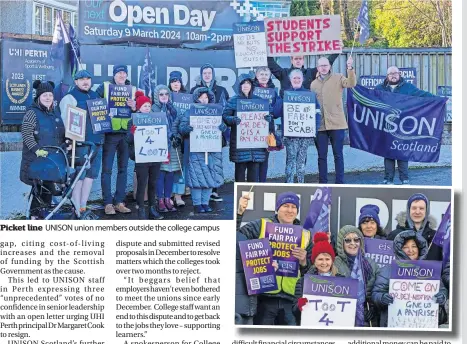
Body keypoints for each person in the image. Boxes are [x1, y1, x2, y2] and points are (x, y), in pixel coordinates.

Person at [236, 192, 311, 326]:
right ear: (277, 208)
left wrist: (304, 262)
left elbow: (312, 271)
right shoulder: (261, 225)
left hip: (291, 301)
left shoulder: (306, 234)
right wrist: (239, 214)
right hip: (264, 299)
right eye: (285, 206)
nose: (289, 210)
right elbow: (236, 237)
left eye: (294, 207)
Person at [371, 231, 448, 327]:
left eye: (414, 246)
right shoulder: (388, 269)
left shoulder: (429, 269)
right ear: (399, 249)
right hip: (395, 324)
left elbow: (442, 290)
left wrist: (442, 296)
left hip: (424, 324)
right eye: (405, 247)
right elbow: (376, 294)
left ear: (420, 248)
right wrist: (382, 298)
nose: (410, 250)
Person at [375, 66, 435, 185]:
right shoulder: (379, 89)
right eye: (390, 73)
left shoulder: (408, 87)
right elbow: (369, 100)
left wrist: (439, 99)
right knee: (388, 153)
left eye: (395, 73)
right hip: (386, 127)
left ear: (400, 74)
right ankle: (388, 179)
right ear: (387, 76)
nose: (393, 75)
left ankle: (404, 179)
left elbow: (422, 94)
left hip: (403, 126)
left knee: (402, 153)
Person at [60, 70, 105, 213]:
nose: (85, 82)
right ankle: (76, 206)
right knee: (79, 176)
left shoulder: (95, 96)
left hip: (97, 142)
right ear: (76, 82)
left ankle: (83, 205)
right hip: (80, 144)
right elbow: (65, 122)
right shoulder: (70, 97)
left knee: (91, 175)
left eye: (88, 79)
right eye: (82, 79)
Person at [96, 65, 136, 215]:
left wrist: (134, 106)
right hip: (109, 133)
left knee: (123, 169)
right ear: (114, 75)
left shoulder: (132, 89)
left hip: (125, 133)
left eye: (124, 73)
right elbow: (94, 103)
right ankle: (107, 203)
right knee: (106, 170)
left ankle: (119, 201)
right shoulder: (105, 87)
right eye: (119, 73)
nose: (122, 75)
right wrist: (104, 109)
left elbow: (140, 109)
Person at [178, 87, 226, 213]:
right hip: (196, 149)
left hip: (212, 150)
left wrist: (223, 127)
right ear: (196, 98)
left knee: (210, 176)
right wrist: (186, 129)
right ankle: (197, 203)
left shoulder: (216, 112)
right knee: (196, 177)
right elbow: (181, 128)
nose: (204, 100)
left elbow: (223, 127)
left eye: (206, 97)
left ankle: (205, 202)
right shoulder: (189, 112)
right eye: (201, 97)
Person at [21, 80, 65, 212]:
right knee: (40, 190)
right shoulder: (32, 113)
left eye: (50, 95)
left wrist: (66, 143)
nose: (48, 98)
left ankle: (42, 217)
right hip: (37, 161)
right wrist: (37, 150)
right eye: (44, 95)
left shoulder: (55, 113)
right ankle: (35, 218)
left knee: (47, 191)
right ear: (38, 97)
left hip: (51, 161)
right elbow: (26, 134)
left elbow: (60, 134)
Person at [310, 56, 356, 184]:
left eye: (326, 65)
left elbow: (351, 83)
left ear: (329, 66)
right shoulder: (313, 84)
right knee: (321, 156)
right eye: (321, 66)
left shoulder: (339, 77)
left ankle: (340, 182)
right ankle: (323, 182)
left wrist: (350, 68)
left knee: (338, 155)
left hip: (337, 124)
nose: (323, 68)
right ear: (318, 68)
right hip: (320, 125)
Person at [190, 63, 230, 202]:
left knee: (215, 162)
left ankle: (214, 190)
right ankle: (201, 192)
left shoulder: (221, 90)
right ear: (201, 75)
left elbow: (226, 109)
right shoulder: (194, 90)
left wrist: (224, 127)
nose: (207, 75)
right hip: (199, 134)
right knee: (201, 163)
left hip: (215, 133)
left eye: (209, 72)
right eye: (204, 73)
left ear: (213, 74)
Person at [223, 74, 268, 183]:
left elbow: (268, 115)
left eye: (248, 83)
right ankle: (239, 198)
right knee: (240, 175)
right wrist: (233, 119)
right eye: (243, 83)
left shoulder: (260, 101)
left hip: (256, 146)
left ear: (252, 85)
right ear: (239, 86)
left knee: (254, 176)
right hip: (240, 146)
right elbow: (225, 117)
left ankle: (252, 198)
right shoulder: (233, 100)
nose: (245, 85)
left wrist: (268, 118)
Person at [125, 91, 164, 220]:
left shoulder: (157, 119)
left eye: (148, 106)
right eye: (144, 106)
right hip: (141, 157)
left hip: (155, 156)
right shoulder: (133, 121)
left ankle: (152, 208)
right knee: (142, 183)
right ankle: (141, 209)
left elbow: (162, 136)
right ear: (139, 107)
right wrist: (132, 132)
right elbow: (128, 140)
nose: (147, 108)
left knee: (153, 182)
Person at [333, 225, 379, 327]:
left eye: (356, 240)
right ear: (342, 243)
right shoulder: (334, 263)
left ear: (361, 242)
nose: (353, 243)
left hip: (366, 321)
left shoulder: (370, 264)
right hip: (342, 320)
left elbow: (378, 290)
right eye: (348, 240)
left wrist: (372, 308)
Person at [282, 69, 320, 183]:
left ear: (302, 79)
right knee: (290, 160)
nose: (297, 80)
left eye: (299, 78)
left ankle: (301, 184)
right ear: (290, 80)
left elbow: (317, 112)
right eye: (294, 78)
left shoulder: (309, 94)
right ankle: (288, 184)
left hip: (305, 135)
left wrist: (315, 129)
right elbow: (278, 111)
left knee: (301, 161)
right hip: (290, 135)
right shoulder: (285, 93)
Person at [295, 232, 341, 318]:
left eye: (327, 259)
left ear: (332, 261)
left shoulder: (342, 281)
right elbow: (295, 313)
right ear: (314, 261)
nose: (324, 263)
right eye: (320, 259)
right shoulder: (303, 282)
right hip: (312, 329)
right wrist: (299, 306)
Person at [151, 84, 180, 213]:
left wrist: (177, 137)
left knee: (170, 172)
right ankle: (160, 199)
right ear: (157, 96)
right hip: (159, 144)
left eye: (166, 94)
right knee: (160, 173)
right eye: (161, 94)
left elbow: (177, 124)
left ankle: (168, 198)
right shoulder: (153, 109)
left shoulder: (173, 109)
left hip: (172, 145)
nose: (164, 96)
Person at [387, 193, 441, 260]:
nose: (417, 212)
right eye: (414, 208)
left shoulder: (435, 237)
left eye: (421, 208)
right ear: (408, 210)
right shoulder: (394, 235)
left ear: (426, 211)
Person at [253, 66, 283, 182]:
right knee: (255, 159)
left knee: (265, 158)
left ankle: (262, 184)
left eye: (266, 74)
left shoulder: (273, 91)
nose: (264, 77)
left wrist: (273, 109)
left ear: (270, 76)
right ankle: (254, 185)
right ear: (257, 76)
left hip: (268, 130)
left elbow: (276, 112)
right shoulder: (252, 89)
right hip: (254, 129)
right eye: (261, 74)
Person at [267, 54, 339, 98]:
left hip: (305, 111)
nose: (298, 61)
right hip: (287, 110)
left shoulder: (310, 73)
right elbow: (271, 64)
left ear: (303, 60)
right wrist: (265, 50)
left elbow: (325, 64)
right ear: (291, 60)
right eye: (296, 59)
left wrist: (336, 52)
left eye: (300, 59)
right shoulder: (283, 73)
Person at [167, 70, 186, 207]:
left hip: (182, 136)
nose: (176, 84)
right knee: (169, 167)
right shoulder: (165, 97)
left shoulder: (186, 98)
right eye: (173, 82)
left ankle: (178, 195)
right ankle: (168, 195)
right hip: (169, 137)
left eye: (178, 81)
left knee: (180, 167)